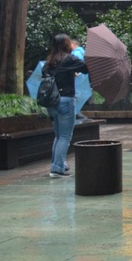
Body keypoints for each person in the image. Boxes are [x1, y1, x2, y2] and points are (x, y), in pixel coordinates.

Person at [43, 34, 88, 179]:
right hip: (65, 100)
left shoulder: (49, 61)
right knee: (64, 136)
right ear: (66, 44)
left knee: (58, 135)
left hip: (51, 102)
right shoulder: (69, 59)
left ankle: (58, 164)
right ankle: (57, 169)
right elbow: (86, 68)